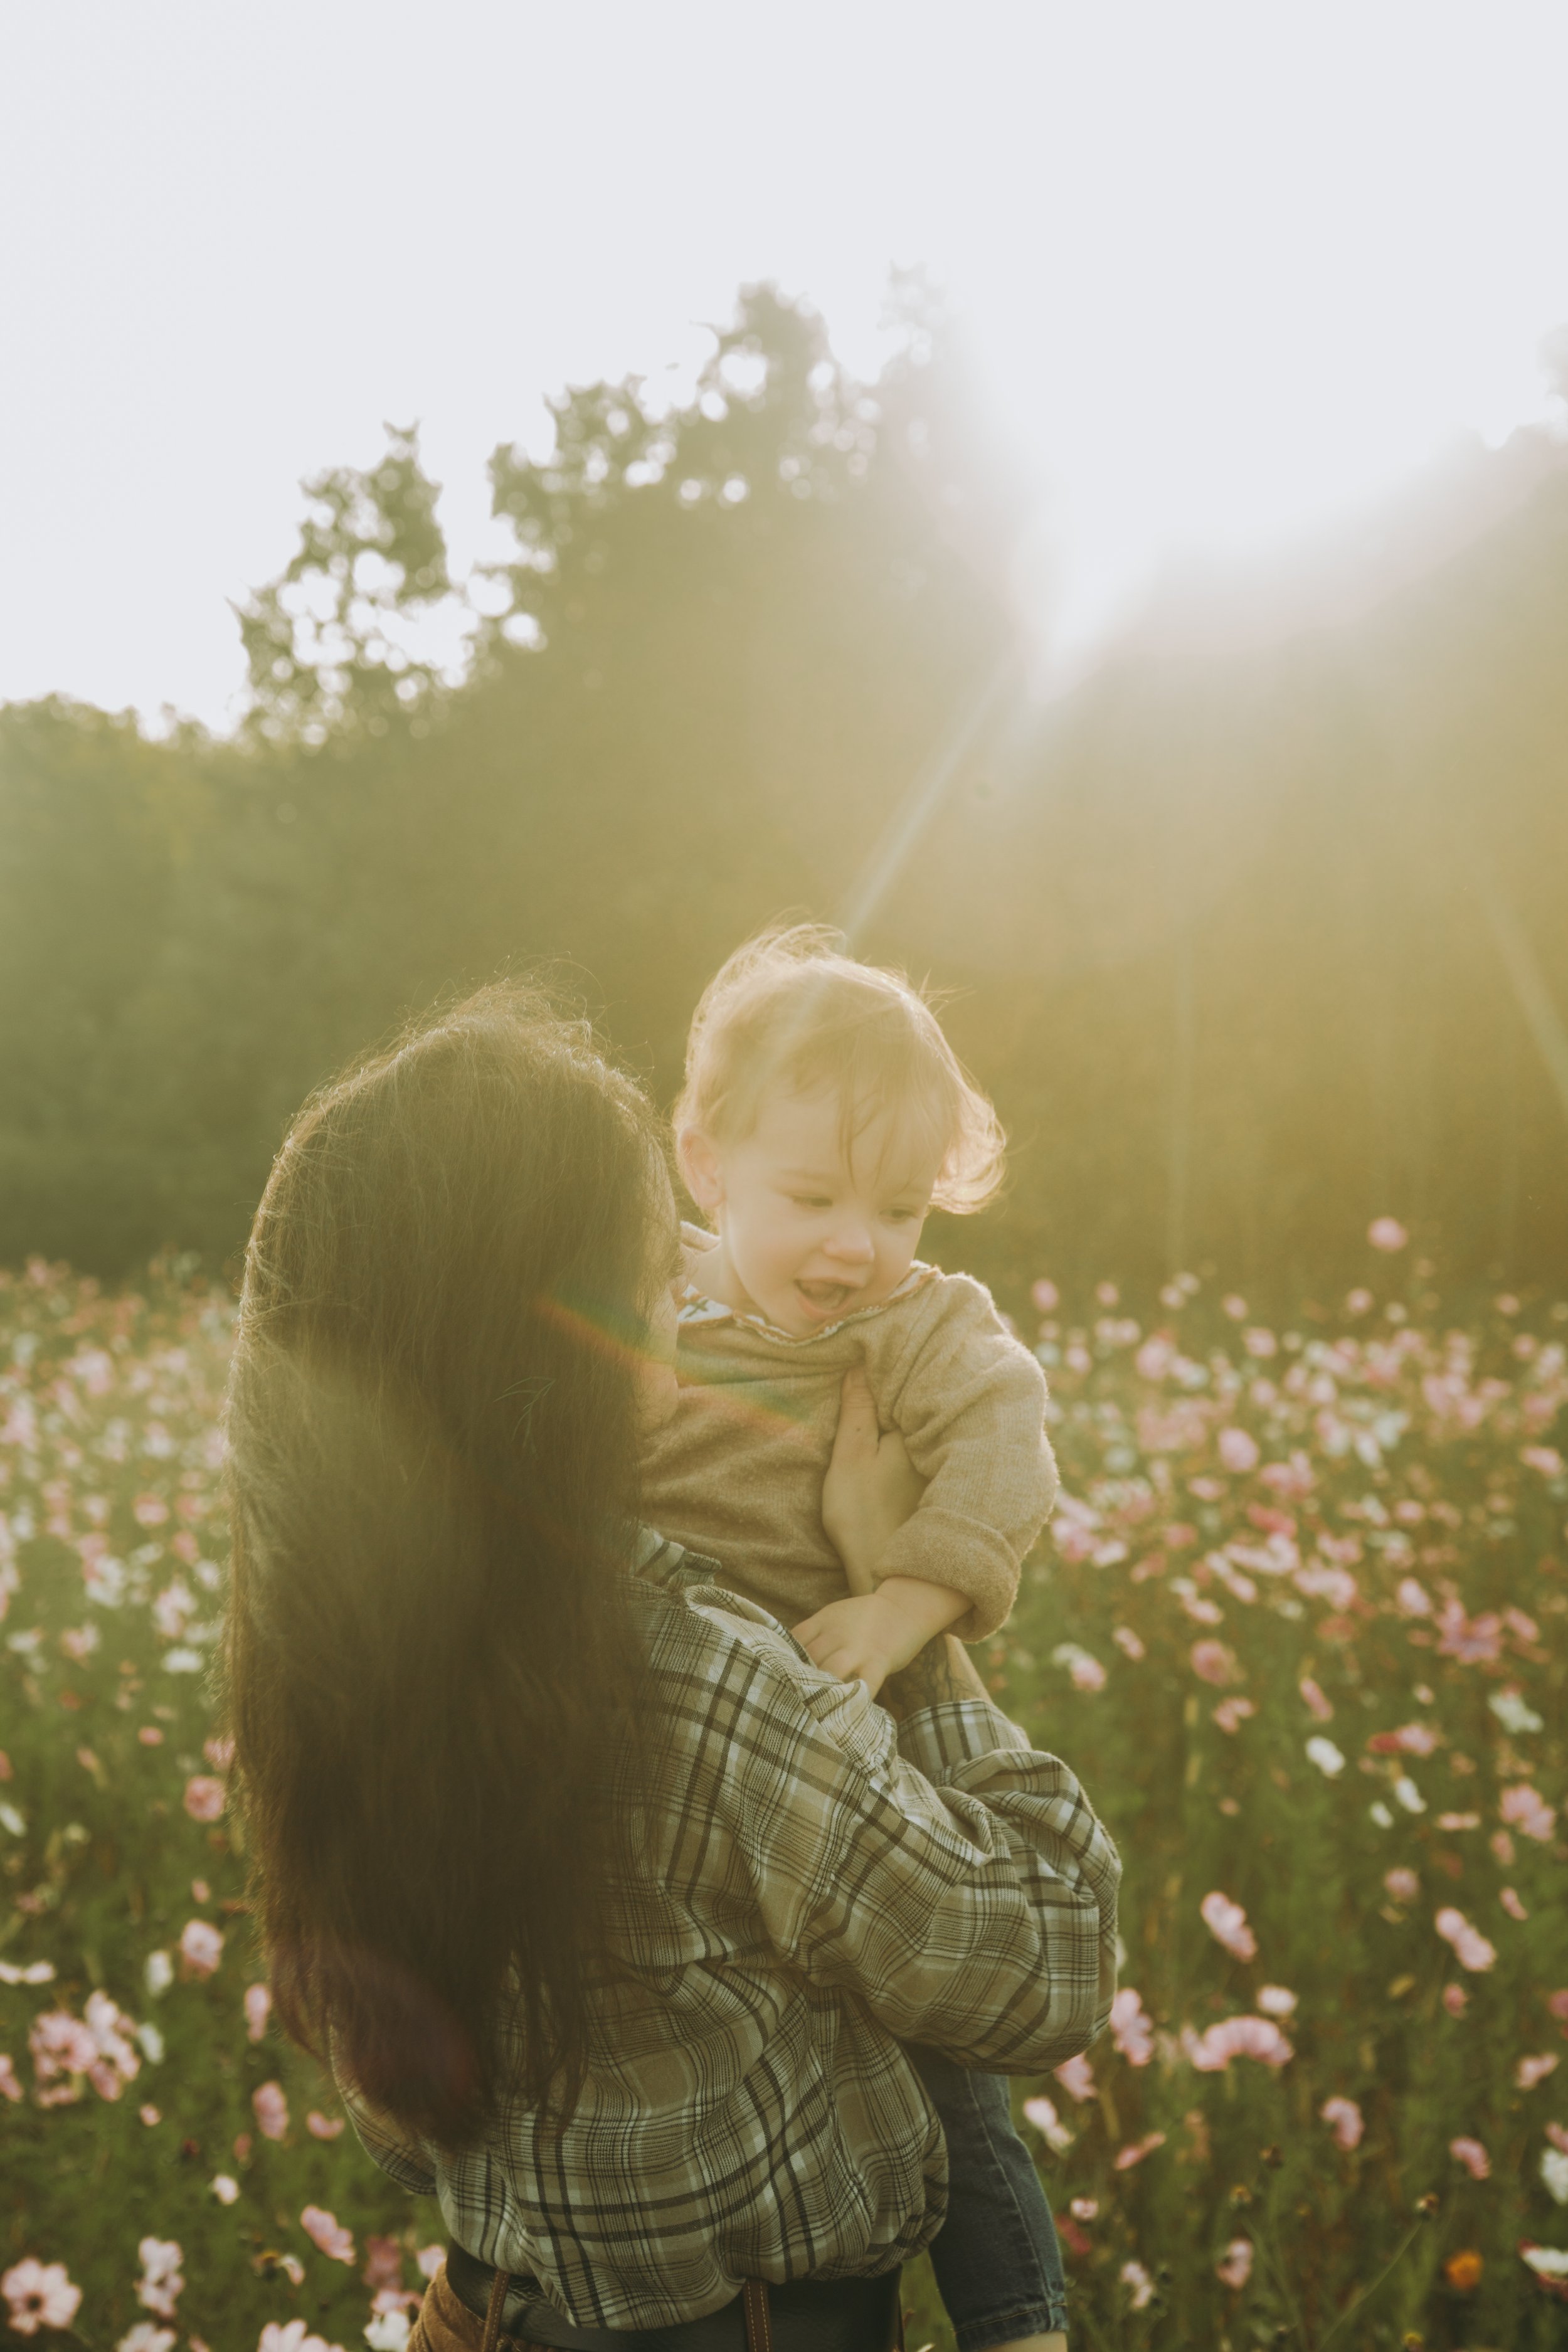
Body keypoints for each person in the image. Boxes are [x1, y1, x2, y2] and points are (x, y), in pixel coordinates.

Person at [221, 985, 1119, 2352]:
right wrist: (895, 1607)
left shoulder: (351, 1656)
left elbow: (408, 2123)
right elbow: (1047, 1963)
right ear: (536, 1330)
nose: (676, 1301)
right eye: (648, 1273)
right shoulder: (703, 1685)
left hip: (478, 2315)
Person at [642, 928, 1070, 2350]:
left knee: (938, 2048)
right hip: (676, 1734)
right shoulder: (649, 1295)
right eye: (811, 1195)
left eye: (899, 1208)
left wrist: (901, 1602)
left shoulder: (916, 1326)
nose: (855, 1245)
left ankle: (1017, 2312)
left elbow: (1008, 1458)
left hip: (851, 1696)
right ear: (706, 1166)